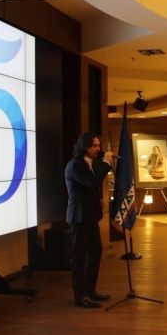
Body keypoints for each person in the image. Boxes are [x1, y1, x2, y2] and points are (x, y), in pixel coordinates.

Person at [65, 132, 114, 308]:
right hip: (79, 217)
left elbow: (89, 188)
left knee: (95, 252)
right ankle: (80, 296)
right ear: (84, 146)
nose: (98, 149)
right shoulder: (75, 165)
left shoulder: (90, 163)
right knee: (79, 257)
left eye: (98, 145)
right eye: (94, 146)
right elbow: (92, 182)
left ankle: (90, 290)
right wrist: (107, 164)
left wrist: (97, 200)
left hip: (90, 216)